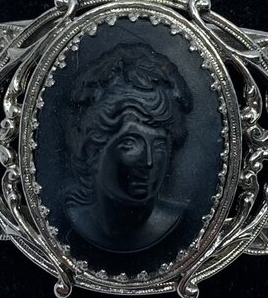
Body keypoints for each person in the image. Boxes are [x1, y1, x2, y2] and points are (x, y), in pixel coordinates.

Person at [64, 42, 192, 253]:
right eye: (131, 144)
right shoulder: (70, 220)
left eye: (159, 146)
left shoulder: (177, 222)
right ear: (93, 149)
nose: (149, 162)